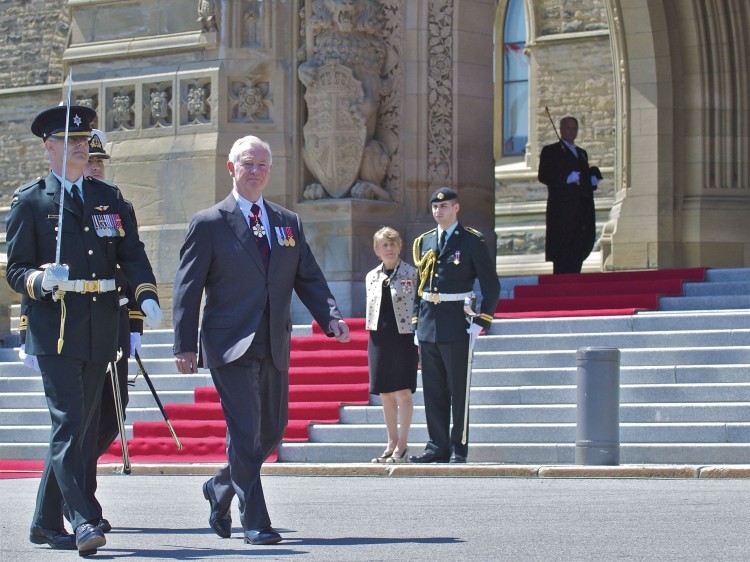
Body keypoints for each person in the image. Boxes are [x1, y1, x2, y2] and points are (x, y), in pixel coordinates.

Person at [172, 134, 351, 546]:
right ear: (231, 169)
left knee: (271, 430)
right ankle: (256, 520)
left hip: (274, 341)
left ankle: (220, 486)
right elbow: (187, 287)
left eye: (261, 165)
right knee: (246, 427)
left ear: (269, 171)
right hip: (229, 344)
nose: (255, 171)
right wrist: (184, 344)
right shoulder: (210, 222)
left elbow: (308, 276)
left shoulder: (288, 222)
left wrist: (331, 317)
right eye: (247, 164)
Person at [5, 105, 162, 556]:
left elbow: (131, 254)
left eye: (84, 138)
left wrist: (146, 295)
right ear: (49, 147)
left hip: (100, 327)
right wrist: (38, 280)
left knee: (84, 425)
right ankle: (84, 518)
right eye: (70, 140)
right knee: (70, 422)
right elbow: (14, 269)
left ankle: (43, 522)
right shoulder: (31, 202)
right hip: (55, 326)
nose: (80, 145)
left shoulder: (108, 198)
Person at [409, 187, 500, 464]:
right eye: (436, 208)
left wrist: (482, 319)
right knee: (434, 390)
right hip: (428, 323)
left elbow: (490, 284)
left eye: (445, 207)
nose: (439, 211)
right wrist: (416, 320)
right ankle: (437, 445)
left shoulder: (472, 241)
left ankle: (458, 446)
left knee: (458, 389)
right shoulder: (424, 241)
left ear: (456, 208)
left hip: (456, 321)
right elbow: (419, 284)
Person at [365, 227, 419, 463]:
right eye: (384, 245)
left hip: (403, 336)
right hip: (378, 337)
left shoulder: (412, 273)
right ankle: (391, 442)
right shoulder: (371, 276)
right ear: (377, 250)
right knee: (385, 393)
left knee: (403, 392)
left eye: (392, 244)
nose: (389, 249)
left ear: (399, 247)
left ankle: (404, 445)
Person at [537, 115, 602, 274]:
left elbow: (583, 177)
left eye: (574, 128)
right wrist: (566, 179)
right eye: (568, 128)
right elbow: (544, 175)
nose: (571, 132)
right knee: (563, 252)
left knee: (578, 249)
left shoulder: (581, 153)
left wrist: (591, 180)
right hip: (563, 211)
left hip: (581, 211)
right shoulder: (551, 151)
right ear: (561, 129)